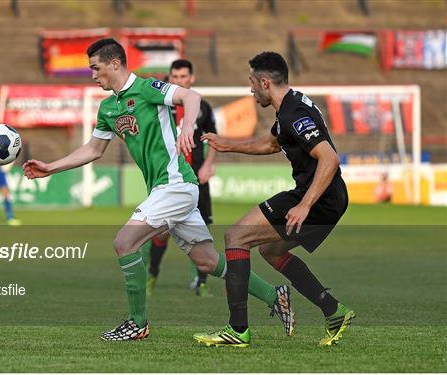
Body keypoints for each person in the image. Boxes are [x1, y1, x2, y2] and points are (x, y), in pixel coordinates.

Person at [23, 39, 294, 342]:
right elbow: (94, 150)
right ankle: (274, 295)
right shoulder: (108, 108)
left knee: (124, 243)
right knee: (206, 260)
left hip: (175, 185)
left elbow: (190, 97)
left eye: (95, 68)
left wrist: (188, 128)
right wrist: (51, 167)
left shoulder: (147, 88)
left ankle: (137, 323)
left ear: (115, 64)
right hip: (167, 190)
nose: (92, 74)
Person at [195, 51, 354, 347]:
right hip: (324, 196)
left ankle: (237, 330)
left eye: (252, 83)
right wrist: (228, 146)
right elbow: (271, 144)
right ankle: (334, 311)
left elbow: (329, 158)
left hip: (319, 197)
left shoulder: (294, 114)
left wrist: (304, 205)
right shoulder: (290, 107)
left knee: (236, 236)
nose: (251, 90)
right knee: (270, 250)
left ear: (265, 82)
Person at [146, 59, 218, 298]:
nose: (179, 81)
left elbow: (213, 137)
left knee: (201, 230)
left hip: (197, 177)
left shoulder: (203, 107)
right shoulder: (161, 105)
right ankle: (152, 273)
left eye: (183, 77)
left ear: (191, 78)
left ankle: (201, 282)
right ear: (170, 79)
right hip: (169, 177)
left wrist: (209, 164)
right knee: (161, 231)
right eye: (175, 78)